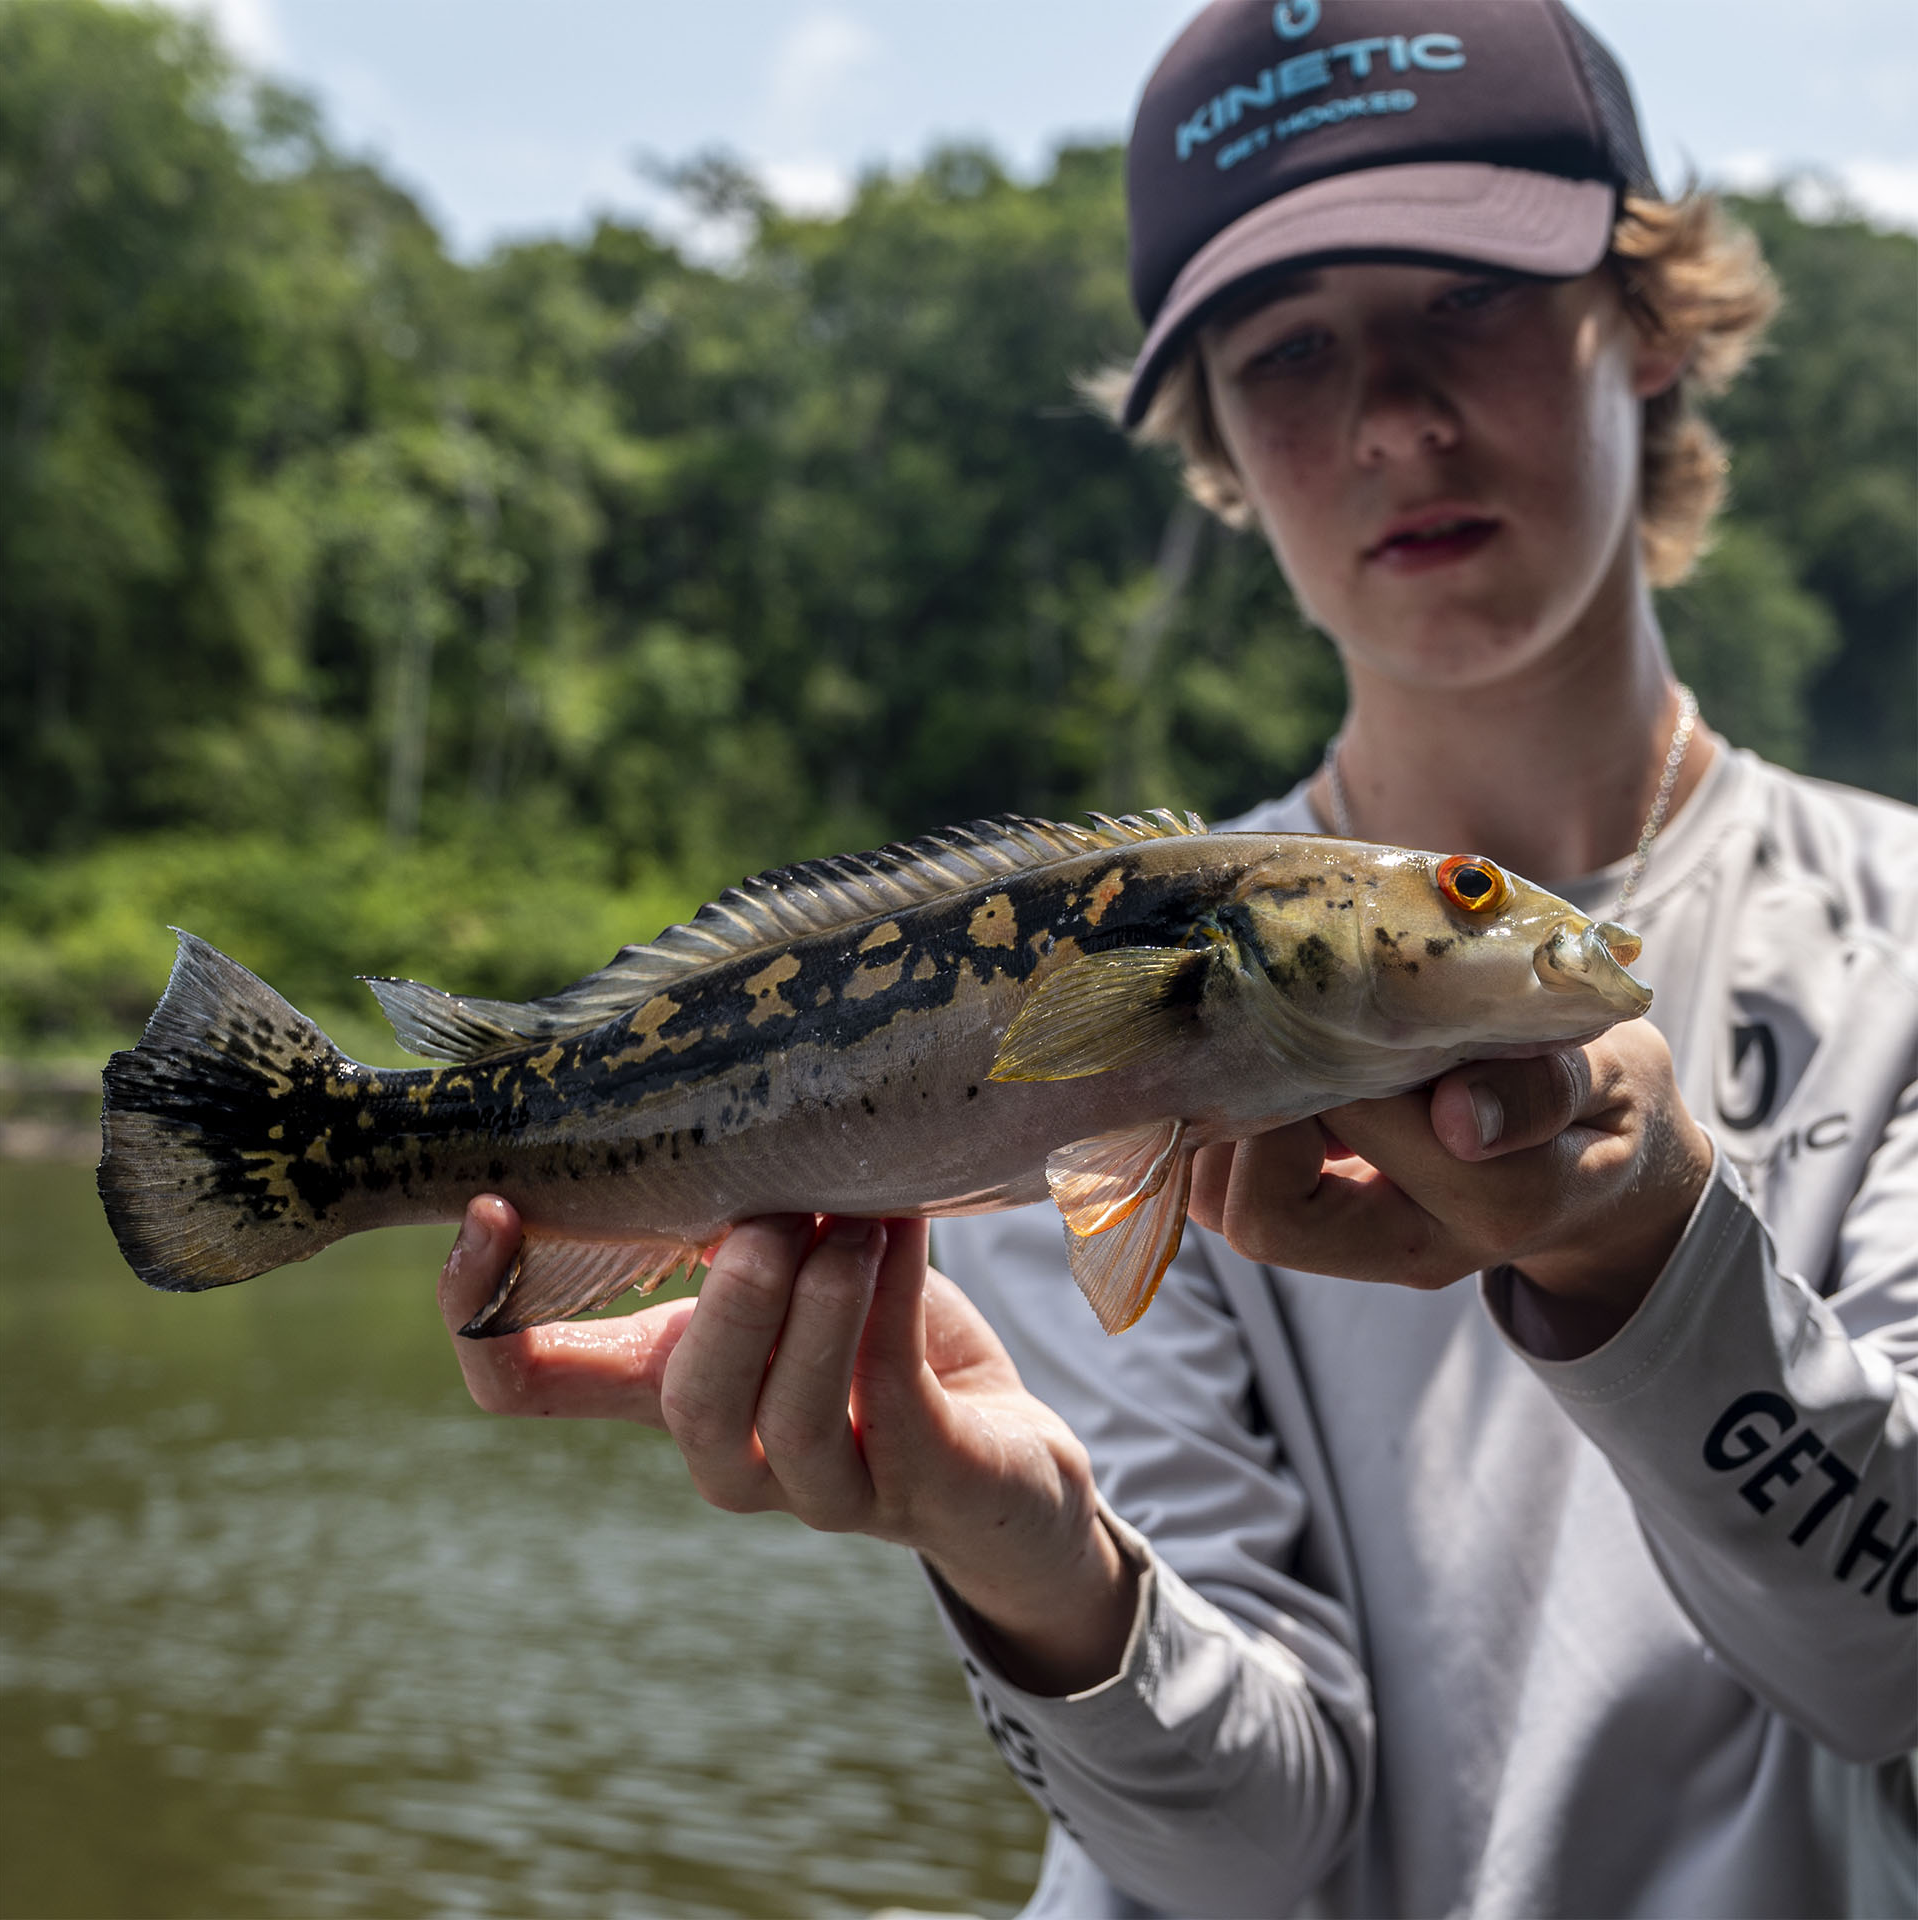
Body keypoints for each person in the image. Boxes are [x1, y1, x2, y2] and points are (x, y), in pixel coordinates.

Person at [435, 3, 1918, 1912]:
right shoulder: (1082, 1004)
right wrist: (1041, 1573)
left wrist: (1644, 1258)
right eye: (1291, 350)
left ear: (1642, 324)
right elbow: (1243, 1847)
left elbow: (1886, 1674)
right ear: (1216, 440)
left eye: (1466, 294)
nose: (1391, 414)